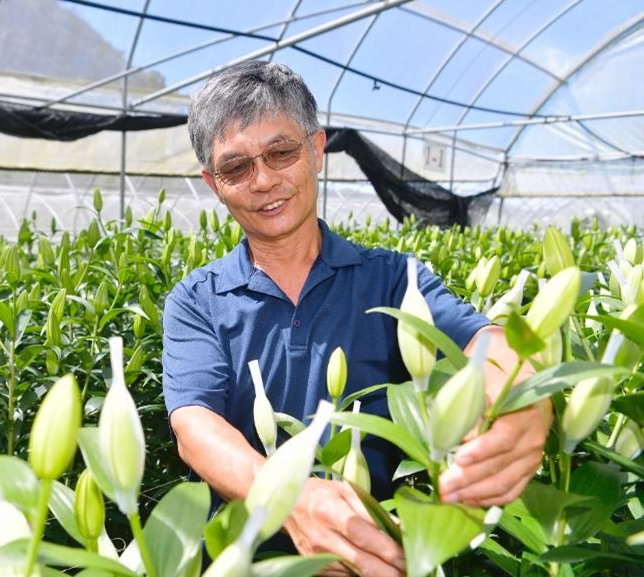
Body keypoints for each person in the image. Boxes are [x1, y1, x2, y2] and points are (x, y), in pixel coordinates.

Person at [162, 60, 550, 577]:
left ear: (317, 149)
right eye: (237, 168)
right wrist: (290, 498)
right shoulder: (196, 300)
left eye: (281, 152)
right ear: (214, 184)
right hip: (239, 562)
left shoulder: (392, 280)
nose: (264, 181)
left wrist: (523, 392)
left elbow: (483, 338)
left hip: (369, 557)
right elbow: (195, 426)